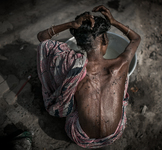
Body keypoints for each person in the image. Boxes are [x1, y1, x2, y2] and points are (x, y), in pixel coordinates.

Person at [37, 5, 141, 149]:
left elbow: (43, 38)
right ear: (105, 39)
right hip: (115, 134)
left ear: (79, 44)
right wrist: (114, 21)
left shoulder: (73, 67)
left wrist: (71, 24)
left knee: (71, 93)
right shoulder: (121, 64)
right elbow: (136, 38)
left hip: (80, 136)